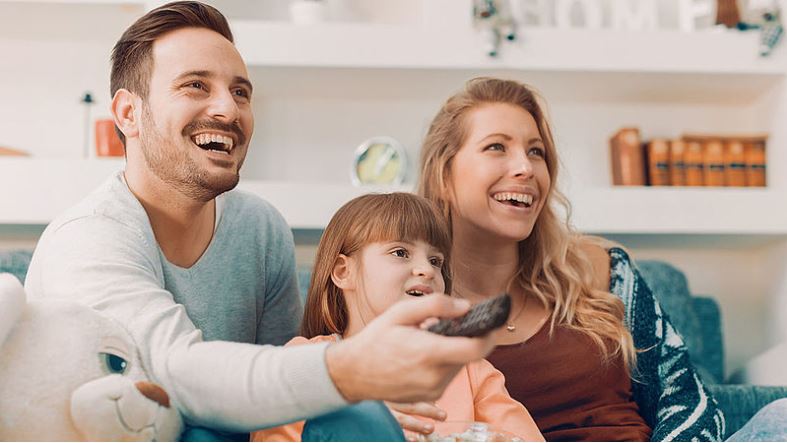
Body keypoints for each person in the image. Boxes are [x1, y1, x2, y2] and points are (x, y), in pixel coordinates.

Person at [23, 3, 496, 440]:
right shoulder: (87, 238)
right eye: (195, 85)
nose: (228, 110)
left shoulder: (260, 228)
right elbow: (171, 374)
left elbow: (281, 387)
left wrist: (356, 402)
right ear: (129, 113)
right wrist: (354, 374)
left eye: (240, 92)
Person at [414, 77, 727, 441]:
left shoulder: (602, 269)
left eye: (536, 152)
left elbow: (690, 400)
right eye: (497, 147)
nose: (526, 169)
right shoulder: (412, 304)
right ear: (443, 175)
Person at [251, 193, 545, 442]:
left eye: (436, 261)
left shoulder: (470, 370)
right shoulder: (306, 358)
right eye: (401, 252)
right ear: (344, 272)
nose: (427, 271)